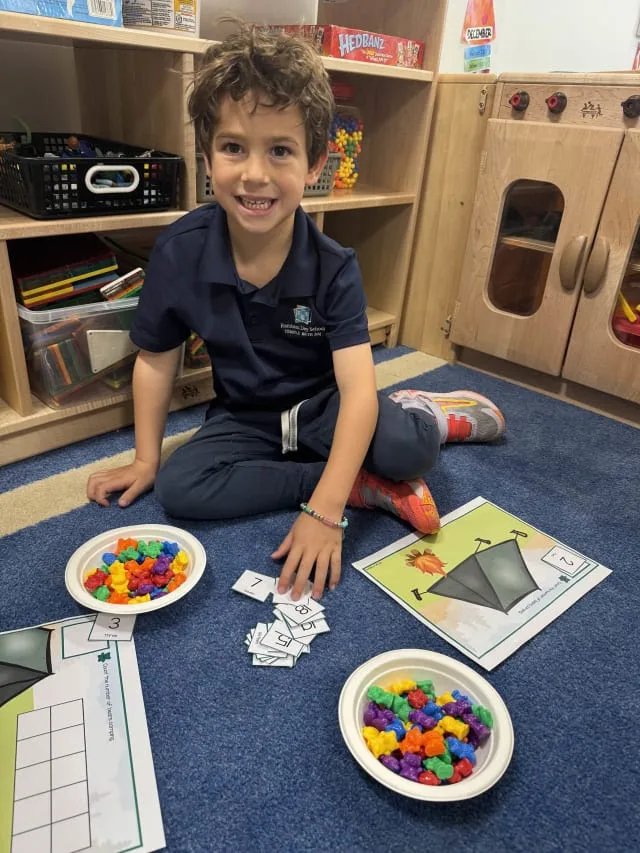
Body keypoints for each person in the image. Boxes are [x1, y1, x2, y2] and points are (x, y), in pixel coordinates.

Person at [87, 24, 505, 601]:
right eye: (234, 148)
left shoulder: (334, 267)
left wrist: (324, 517)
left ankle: (428, 413)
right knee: (181, 489)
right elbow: (156, 359)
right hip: (247, 417)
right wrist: (145, 459)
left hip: (327, 407)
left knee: (407, 451)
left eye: (280, 150)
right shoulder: (179, 251)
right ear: (207, 157)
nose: (255, 174)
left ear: (314, 164)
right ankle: (358, 486)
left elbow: (357, 395)